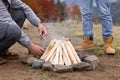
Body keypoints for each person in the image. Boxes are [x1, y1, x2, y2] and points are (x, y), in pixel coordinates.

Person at [0, 0, 47, 64]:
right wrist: (31, 46)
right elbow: (7, 21)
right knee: (15, 30)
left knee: (21, 13)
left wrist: (39, 24)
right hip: (3, 20)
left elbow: (24, 7)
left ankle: (2, 51)